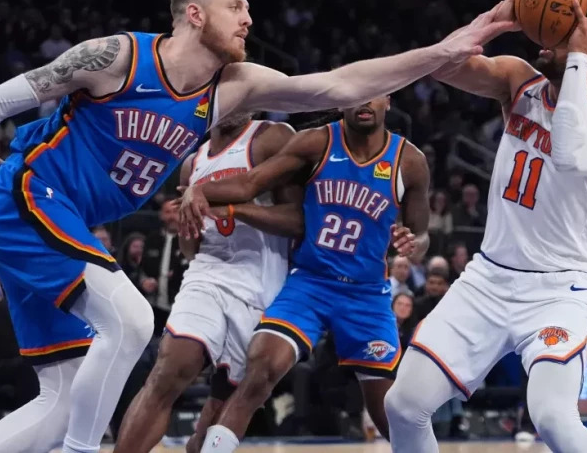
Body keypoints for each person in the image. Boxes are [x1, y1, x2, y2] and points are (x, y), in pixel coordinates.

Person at [0, 0, 507, 453]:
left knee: (61, 396)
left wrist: (445, 51)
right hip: (26, 197)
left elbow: (340, 84)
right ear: (195, 15)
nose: (248, 18)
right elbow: (8, 96)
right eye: (236, 6)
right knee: (131, 321)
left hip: (63, 219)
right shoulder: (119, 57)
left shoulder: (235, 87)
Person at [384, 0, 587, 453]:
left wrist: (575, 57)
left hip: (560, 288)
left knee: (553, 418)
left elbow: (570, 153)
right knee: (403, 404)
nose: (549, 35)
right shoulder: (518, 81)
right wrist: (494, 19)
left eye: (567, 32)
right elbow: (439, 66)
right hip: (489, 278)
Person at [178, 95, 431, 452]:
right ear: (342, 100)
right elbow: (251, 183)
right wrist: (198, 189)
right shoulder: (316, 142)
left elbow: (422, 235)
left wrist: (412, 242)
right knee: (260, 371)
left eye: (375, 94)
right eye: (357, 94)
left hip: (366, 295)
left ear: (388, 100)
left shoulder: (410, 161)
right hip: (310, 283)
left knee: (391, 412)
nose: (364, 102)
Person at [114, 113, 300, 453]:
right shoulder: (192, 163)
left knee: (223, 404)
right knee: (168, 372)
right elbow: (191, 249)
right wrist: (188, 224)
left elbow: (300, 219)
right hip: (207, 275)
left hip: (261, 284)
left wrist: (235, 209)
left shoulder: (272, 137)